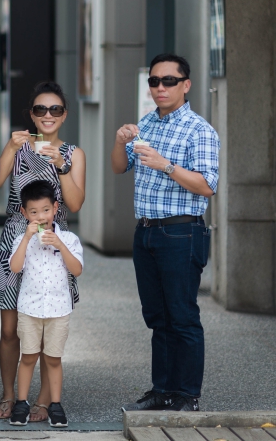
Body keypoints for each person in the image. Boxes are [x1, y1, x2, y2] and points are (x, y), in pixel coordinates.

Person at [112, 54, 219, 413]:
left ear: (186, 85)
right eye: (155, 81)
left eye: (169, 81)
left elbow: (206, 186)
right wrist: (119, 140)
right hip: (145, 233)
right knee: (157, 317)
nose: (160, 87)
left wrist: (166, 165)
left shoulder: (199, 130)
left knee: (182, 315)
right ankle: (163, 391)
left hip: (181, 233)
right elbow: (119, 165)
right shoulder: (147, 123)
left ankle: (187, 395)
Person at [0, 81, 86, 422]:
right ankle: (10, 395)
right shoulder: (19, 147)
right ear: (31, 114)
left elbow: (74, 203)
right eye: (40, 109)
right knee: (9, 328)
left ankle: (44, 400)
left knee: (48, 323)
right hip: (16, 237)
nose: (48, 115)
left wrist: (62, 165)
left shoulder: (73, 154)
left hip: (53, 243)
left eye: (55, 109)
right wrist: (7, 147)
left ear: (64, 115)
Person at [6, 180, 84, 428]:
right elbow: (15, 267)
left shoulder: (69, 239)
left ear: (55, 208)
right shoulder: (23, 239)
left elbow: (77, 270)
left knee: (53, 358)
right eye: (34, 212)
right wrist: (27, 238)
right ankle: (21, 403)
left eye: (46, 210)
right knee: (28, 356)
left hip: (59, 310)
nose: (41, 217)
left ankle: (56, 405)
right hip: (29, 308)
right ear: (24, 213)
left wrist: (59, 245)